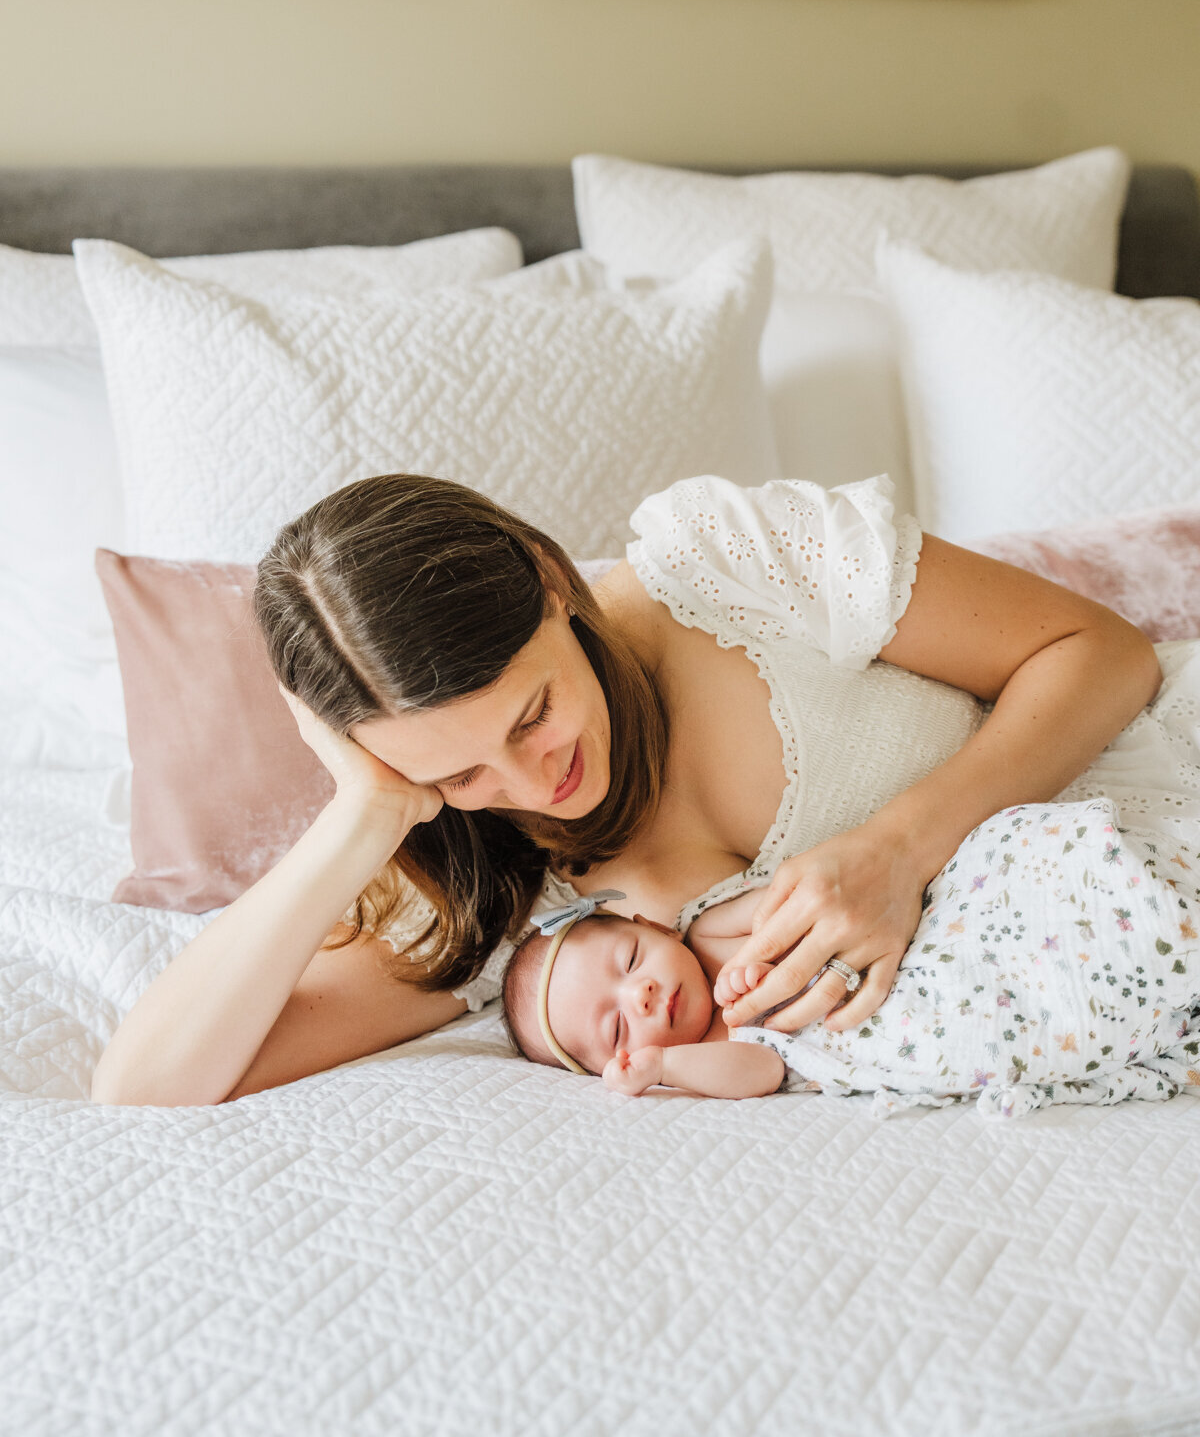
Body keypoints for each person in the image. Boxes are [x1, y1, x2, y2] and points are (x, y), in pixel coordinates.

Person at [91, 470, 1181, 1109]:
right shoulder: (490, 883)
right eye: (458, 768)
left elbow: (1102, 655)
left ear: (554, 581)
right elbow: (145, 1089)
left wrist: (904, 846)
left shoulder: (725, 561)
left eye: (532, 715)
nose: (533, 785)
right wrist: (366, 814)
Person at [502, 801, 1200, 1119]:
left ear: (648, 923)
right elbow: (761, 1068)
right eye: (620, 1031)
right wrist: (665, 1067)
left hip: (951, 929)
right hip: (942, 1012)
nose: (643, 998)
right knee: (1081, 1005)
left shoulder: (709, 925)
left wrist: (757, 950)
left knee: (1099, 905)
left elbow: (792, 898)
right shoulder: (723, 1047)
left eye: (629, 961)